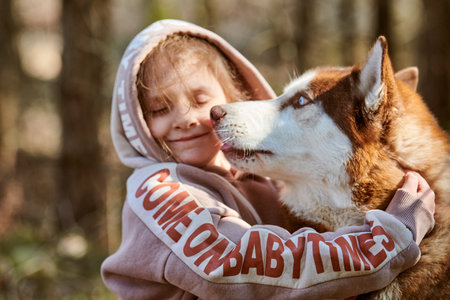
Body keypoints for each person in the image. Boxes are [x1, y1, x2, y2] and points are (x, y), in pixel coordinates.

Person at [101, 19, 435, 300]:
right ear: (138, 123)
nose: (185, 118)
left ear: (230, 97)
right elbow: (243, 267)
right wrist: (388, 239)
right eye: (159, 109)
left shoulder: (258, 174)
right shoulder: (159, 192)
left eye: (200, 99)